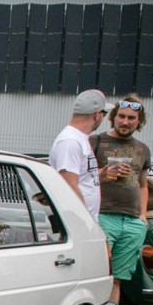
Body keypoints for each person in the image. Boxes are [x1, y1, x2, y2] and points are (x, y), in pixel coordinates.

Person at [91, 94, 152, 305]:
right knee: (97, 275)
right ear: (113, 117)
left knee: (117, 279)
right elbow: (82, 177)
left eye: (131, 118)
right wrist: (105, 173)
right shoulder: (96, 141)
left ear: (139, 122)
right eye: (122, 116)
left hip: (132, 221)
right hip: (103, 216)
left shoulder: (142, 149)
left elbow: (143, 184)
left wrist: (143, 216)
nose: (125, 122)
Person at [48, 89, 111, 218]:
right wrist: (86, 219)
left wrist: (100, 175)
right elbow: (69, 186)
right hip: (76, 221)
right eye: (104, 114)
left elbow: (80, 178)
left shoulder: (79, 138)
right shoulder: (70, 141)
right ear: (97, 115)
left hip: (82, 221)